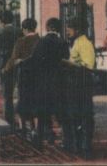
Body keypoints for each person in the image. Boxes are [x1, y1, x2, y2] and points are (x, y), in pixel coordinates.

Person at [23, 18, 69, 148]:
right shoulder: (63, 42)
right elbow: (66, 60)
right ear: (58, 28)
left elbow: (34, 60)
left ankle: (43, 135)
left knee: (43, 110)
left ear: (48, 27)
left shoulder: (42, 41)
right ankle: (65, 138)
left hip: (44, 81)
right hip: (59, 81)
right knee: (60, 111)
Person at [62, 19, 96, 158]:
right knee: (76, 114)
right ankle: (78, 145)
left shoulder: (85, 44)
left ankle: (85, 146)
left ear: (77, 29)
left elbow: (88, 66)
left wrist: (67, 63)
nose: (67, 32)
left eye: (69, 29)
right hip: (75, 84)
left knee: (85, 115)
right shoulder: (77, 42)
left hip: (82, 84)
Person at [5, 18, 42, 137]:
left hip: (25, 75)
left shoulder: (21, 41)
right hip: (38, 75)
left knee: (23, 101)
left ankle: (23, 128)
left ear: (25, 29)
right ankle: (36, 128)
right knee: (36, 101)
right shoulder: (40, 41)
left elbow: (13, 59)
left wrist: (6, 69)